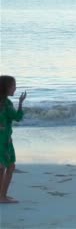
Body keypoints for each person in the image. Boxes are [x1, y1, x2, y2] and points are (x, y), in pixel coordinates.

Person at [0, 75, 27, 204]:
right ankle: (1, 197)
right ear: (5, 87)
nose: (15, 88)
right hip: (2, 141)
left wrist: (20, 103)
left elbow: (16, 117)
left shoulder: (7, 102)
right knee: (2, 168)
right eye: (13, 86)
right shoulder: (4, 103)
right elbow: (17, 117)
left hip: (6, 140)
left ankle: (2, 195)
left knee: (10, 166)